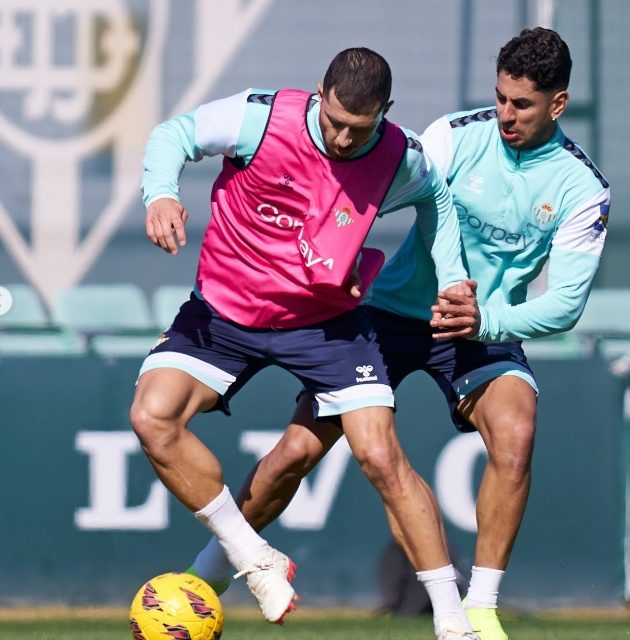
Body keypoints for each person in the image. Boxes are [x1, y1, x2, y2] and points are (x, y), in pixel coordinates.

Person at [187, 28, 610, 640]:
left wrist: (484, 319)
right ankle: (202, 580)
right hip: (388, 316)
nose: (505, 114)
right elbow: (353, 199)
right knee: (298, 452)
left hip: (479, 327)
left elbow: (566, 305)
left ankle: (481, 609)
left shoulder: (582, 188)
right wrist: (335, 266)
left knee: (516, 433)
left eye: (522, 104)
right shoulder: (451, 138)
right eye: (500, 98)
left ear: (558, 104)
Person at [131, 47, 480, 638]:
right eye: (335, 121)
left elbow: (437, 200)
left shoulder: (401, 154)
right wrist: (160, 191)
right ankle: (252, 556)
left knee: (380, 456)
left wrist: (450, 280)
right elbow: (175, 133)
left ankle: (454, 622)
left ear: (385, 113)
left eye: (359, 128)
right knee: (151, 416)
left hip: (328, 327)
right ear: (319, 93)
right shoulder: (259, 118)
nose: (344, 139)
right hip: (224, 312)